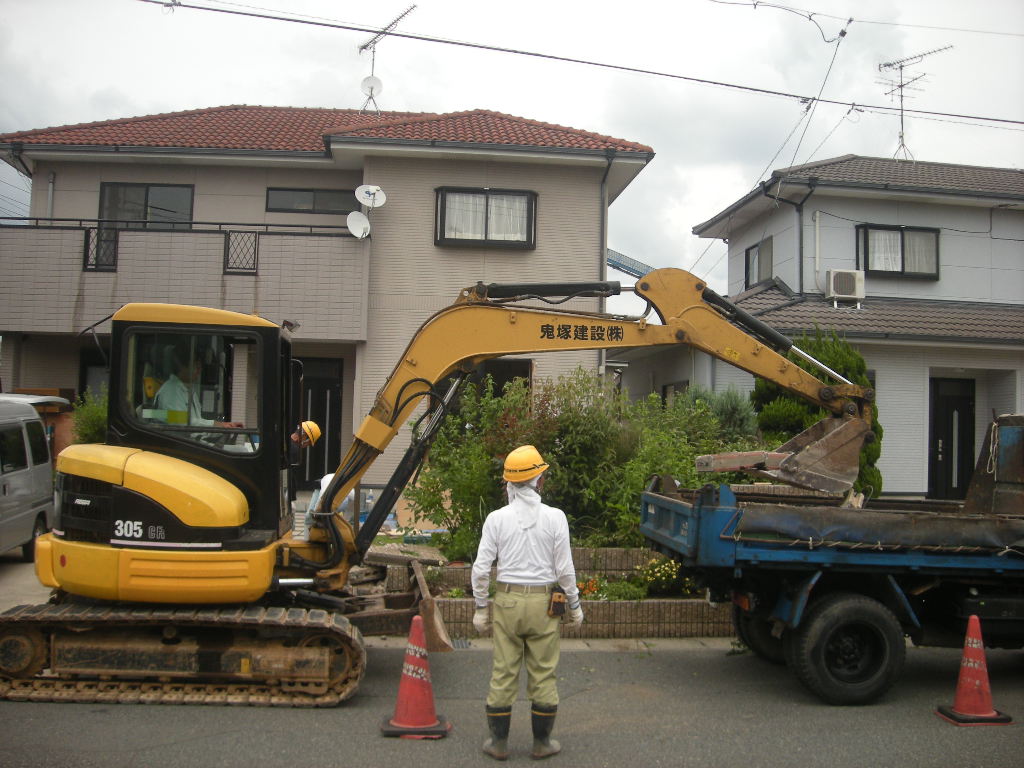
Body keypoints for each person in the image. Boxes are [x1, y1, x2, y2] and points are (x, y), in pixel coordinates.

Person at [471, 445, 584, 761]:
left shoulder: (496, 519)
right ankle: (542, 744)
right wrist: (574, 606)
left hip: (506, 601)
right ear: (540, 480)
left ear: (509, 482)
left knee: (503, 671)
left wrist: (481, 608)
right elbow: (564, 569)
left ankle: (498, 744)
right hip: (543, 603)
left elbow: (481, 568)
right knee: (544, 672)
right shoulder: (555, 517)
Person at [154, 343, 241, 428]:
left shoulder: (189, 390)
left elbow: (197, 424)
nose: (200, 370)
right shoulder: (170, 393)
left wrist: (223, 427)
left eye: (200, 366)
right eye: (196, 365)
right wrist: (215, 425)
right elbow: (181, 422)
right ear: (181, 366)